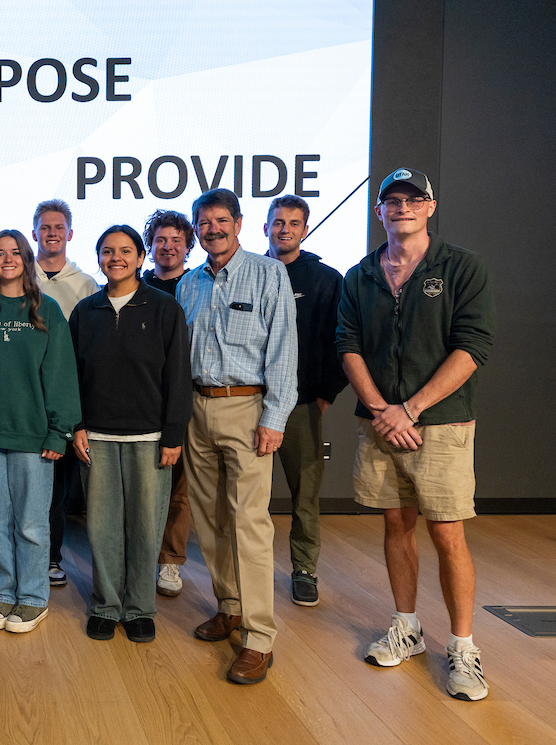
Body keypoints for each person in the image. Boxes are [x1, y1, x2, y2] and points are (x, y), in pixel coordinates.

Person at [337, 168, 494, 701]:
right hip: (381, 425)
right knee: (396, 525)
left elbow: (472, 347)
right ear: (378, 211)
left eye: (412, 199)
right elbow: (348, 345)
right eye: (391, 200)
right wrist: (383, 410)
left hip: (442, 426)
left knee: (448, 535)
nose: (401, 206)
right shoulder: (360, 275)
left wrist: (412, 407)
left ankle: (463, 648)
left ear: (431, 207)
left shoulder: (462, 267)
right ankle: (406, 628)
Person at [177, 188, 296, 685]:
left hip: (248, 409)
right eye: (204, 223)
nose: (213, 230)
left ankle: (258, 636)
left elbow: (284, 350)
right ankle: (228, 604)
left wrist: (274, 418)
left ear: (240, 223)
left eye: (221, 221)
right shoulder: (189, 283)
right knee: (209, 520)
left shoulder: (270, 274)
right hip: (196, 410)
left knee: (249, 523)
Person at [0, 230, 79, 634]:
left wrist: (60, 431)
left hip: (33, 436)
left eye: (15, 253)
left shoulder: (48, 310)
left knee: (31, 523)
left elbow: (61, 376)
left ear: (27, 259)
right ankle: (5, 591)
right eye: (0, 253)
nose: (8, 259)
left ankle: (33, 597)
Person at [69, 225, 191, 642]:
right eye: (107, 251)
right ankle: (106, 604)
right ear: (99, 258)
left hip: (151, 438)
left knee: (145, 526)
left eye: (125, 251)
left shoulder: (163, 308)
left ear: (141, 258)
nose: (115, 257)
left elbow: (178, 375)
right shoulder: (85, 312)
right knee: (101, 527)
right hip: (97, 438)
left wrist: (173, 435)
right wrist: (76, 426)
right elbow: (71, 377)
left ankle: (139, 608)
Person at [263, 195, 348, 606]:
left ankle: (304, 569)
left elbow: (341, 342)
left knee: (304, 494)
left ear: (305, 230)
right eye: (277, 222)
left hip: (300, 406)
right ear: (264, 228)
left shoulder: (326, 279)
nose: (285, 229)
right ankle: (247, 566)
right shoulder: (249, 273)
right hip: (251, 403)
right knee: (245, 495)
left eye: (293, 223)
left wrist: (324, 397)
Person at [31, 199, 98, 587]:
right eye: (45, 227)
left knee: (57, 487)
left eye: (59, 228)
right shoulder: (20, 278)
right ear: (35, 232)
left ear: (70, 234)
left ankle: (52, 558)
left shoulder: (86, 283)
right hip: (26, 398)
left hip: (64, 397)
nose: (52, 233)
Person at [141, 209, 197, 598]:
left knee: (181, 486)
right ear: (150, 245)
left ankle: (169, 561)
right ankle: (138, 555)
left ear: (188, 247)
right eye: (161, 239)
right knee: (143, 484)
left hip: (185, 398)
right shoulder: (134, 286)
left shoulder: (198, 286)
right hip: (142, 400)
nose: (168, 246)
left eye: (177, 240)